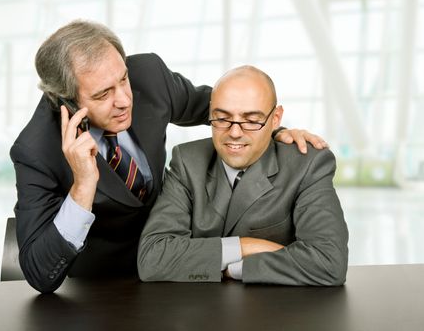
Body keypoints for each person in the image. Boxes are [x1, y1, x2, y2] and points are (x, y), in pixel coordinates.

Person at [10, 20, 328, 293]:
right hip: (102, 289)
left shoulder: (148, 76)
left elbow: (215, 107)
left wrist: (274, 130)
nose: (123, 100)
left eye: (122, 79)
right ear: (65, 99)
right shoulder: (36, 151)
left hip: (179, 265)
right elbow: (39, 274)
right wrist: (82, 187)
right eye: (103, 94)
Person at [137, 65, 348, 285]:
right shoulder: (187, 161)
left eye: (251, 120)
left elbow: (328, 262)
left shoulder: (308, 164)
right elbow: (153, 258)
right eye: (222, 118)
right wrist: (245, 246)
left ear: (275, 119)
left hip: (279, 314)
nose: (235, 133)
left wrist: (236, 268)